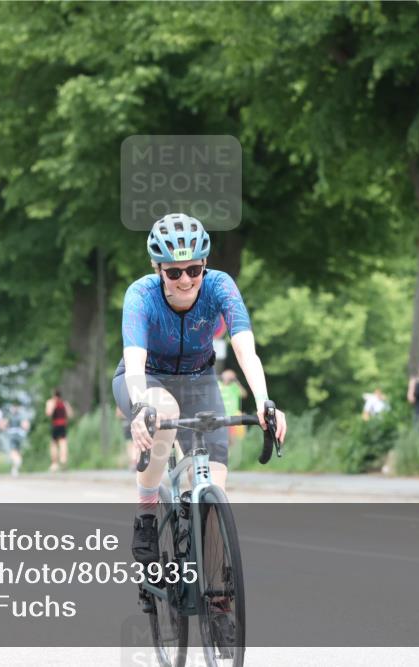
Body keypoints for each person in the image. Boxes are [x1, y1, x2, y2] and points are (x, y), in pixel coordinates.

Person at [112, 214, 286, 573]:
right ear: (158, 269)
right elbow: (134, 360)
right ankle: (146, 513)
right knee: (165, 412)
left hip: (199, 380)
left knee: (213, 492)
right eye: (174, 272)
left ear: (205, 264)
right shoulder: (140, 295)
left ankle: (218, 595)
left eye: (194, 269)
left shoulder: (220, 286)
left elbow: (244, 348)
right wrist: (142, 404)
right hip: (146, 378)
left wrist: (264, 401)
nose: (186, 279)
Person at [219, 368, 249, 449]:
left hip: (232, 416)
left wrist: (237, 382)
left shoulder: (234, 386)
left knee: (232, 440)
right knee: (222, 439)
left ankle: (229, 455)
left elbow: (244, 394)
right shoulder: (218, 385)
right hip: (221, 416)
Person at [45, 389, 73, 472]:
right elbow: (70, 414)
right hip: (63, 425)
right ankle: (63, 460)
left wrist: (52, 405)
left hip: (55, 425)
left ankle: (54, 464)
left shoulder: (51, 402)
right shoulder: (64, 403)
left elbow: (48, 413)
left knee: (54, 444)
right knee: (63, 443)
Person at [4, 404, 30, 477]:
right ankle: (15, 467)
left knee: (13, 451)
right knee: (18, 451)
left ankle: (17, 462)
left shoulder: (9, 416)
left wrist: (6, 429)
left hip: (12, 435)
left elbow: (4, 425)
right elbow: (25, 426)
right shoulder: (21, 416)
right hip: (20, 435)